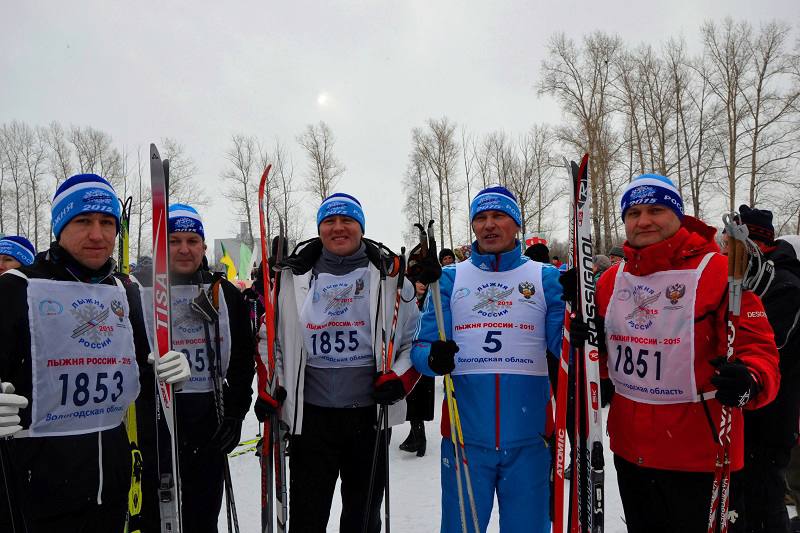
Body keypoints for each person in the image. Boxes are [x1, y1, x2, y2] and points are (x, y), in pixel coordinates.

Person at [587, 174, 780, 533]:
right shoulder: (611, 281)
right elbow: (600, 363)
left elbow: (760, 352)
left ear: (678, 214)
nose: (643, 221)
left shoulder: (718, 271)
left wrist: (749, 379)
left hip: (700, 456)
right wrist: (590, 347)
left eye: (656, 210)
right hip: (632, 453)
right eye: (633, 213)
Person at [0, 173, 190, 532]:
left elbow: (140, 375)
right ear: (59, 226)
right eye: (83, 221)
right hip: (36, 493)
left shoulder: (125, 290)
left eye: (107, 223)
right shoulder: (18, 286)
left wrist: (167, 376)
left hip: (113, 486)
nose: (98, 235)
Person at [255, 192, 420, 533]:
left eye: (347, 220)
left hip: (369, 418)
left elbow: (412, 340)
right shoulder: (290, 278)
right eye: (329, 221)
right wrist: (275, 385)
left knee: (361, 520)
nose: (338, 228)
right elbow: (269, 342)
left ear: (361, 227)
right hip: (312, 419)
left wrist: (398, 379)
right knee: (307, 517)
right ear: (319, 229)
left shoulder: (390, 278)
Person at [411, 186, 565, 533]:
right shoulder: (449, 279)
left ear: (516, 225)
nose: (489, 225)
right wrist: (433, 357)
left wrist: (580, 314)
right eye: (480, 218)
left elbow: (565, 349)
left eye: (499, 216)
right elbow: (420, 349)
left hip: (530, 439)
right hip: (465, 437)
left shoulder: (544, 278)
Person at [135, 203, 255, 532]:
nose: (184, 249)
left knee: (202, 517)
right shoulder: (138, 293)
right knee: (156, 519)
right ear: (161, 246)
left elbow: (244, 361)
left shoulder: (224, 293)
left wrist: (235, 413)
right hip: (157, 426)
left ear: (203, 246)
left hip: (208, 425)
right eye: (174, 241)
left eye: (192, 240)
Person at [730, 206, 800, 533]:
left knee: (766, 500)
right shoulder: (737, 280)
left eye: (734, 246)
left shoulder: (787, 283)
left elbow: (772, 342)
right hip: (739, 411)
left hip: (773, 414)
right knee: (739, 502)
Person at [399, 280, 434, 457]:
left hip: (424, 358)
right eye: (417, 281)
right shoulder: (407, 300)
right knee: (412, 400)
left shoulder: (430, 301)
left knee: (419, 400)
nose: (421, 285)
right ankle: (416, 435)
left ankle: (418, 437)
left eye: (423, 282)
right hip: (410, 356)